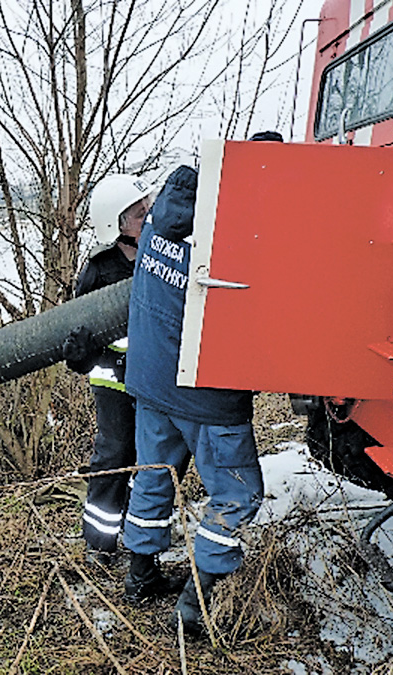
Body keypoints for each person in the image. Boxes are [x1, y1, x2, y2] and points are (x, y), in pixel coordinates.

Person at [121, 139, 278, 634]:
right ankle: (196, 603)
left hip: (150, 383)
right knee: (236, 493)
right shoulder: (234, 235)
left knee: (154, 475)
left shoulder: (157, 224)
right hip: (205, 394)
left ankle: (140, 574)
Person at [62, 173, 153, 566]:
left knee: (152, 460)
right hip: (114, 381)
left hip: (153, 381)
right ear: (117, 224)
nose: (147, 218)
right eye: (138, 214)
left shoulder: (162, 257)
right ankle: (99, 545)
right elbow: (79, 338)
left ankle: (141, 537)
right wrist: (82, 355)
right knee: (114, 458)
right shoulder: (99, 270)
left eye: (147, 209)